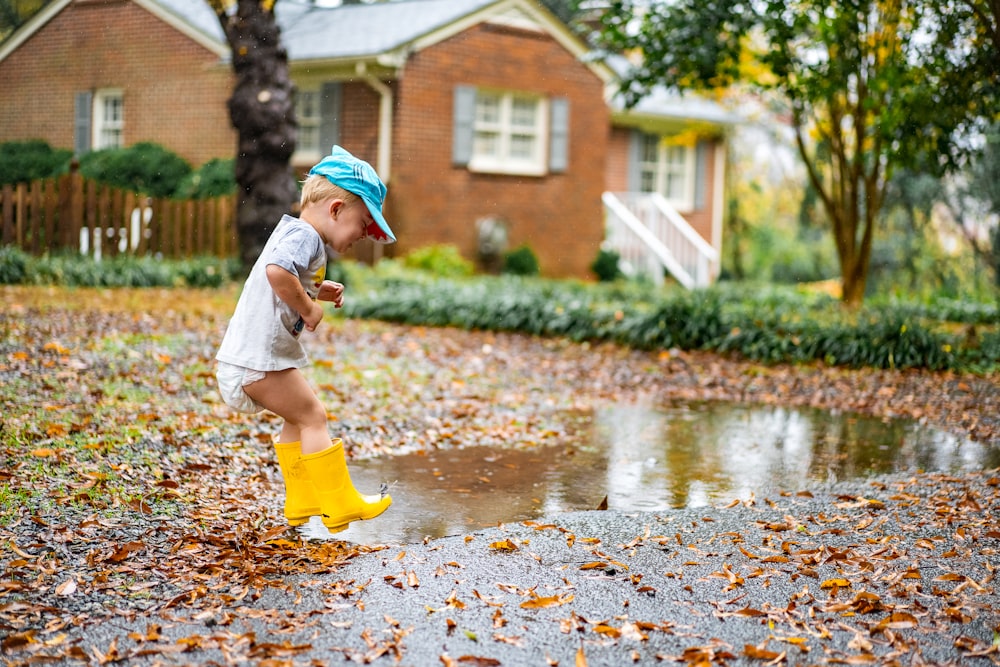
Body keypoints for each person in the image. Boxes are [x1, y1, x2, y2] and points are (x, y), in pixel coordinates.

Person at [215, 145, 395, 533]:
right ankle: (339, 503)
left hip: (249, 358)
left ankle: (301, 501)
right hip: (257, 359)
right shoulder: (306, 237)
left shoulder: (295, 232)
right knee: (314, 416)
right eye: (363, 224)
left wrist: (318, 289)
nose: (363, 235)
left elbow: (288, 274)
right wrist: (311, 310)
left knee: (297, 420)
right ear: (335, 210)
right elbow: (279, 273)